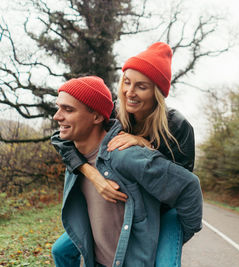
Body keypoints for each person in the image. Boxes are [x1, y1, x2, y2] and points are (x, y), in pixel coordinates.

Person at [51, 42, 195, 267]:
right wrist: (93, 175)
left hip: (162, 212)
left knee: (165, 263)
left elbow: (178, 182)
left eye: (141, 86)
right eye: (126, 82)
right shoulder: (114, 111)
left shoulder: (177, 127)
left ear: (157, 92)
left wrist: (144, 144)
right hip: (125, 203)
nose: (130, 92)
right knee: (61, 250)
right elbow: (61, 138)